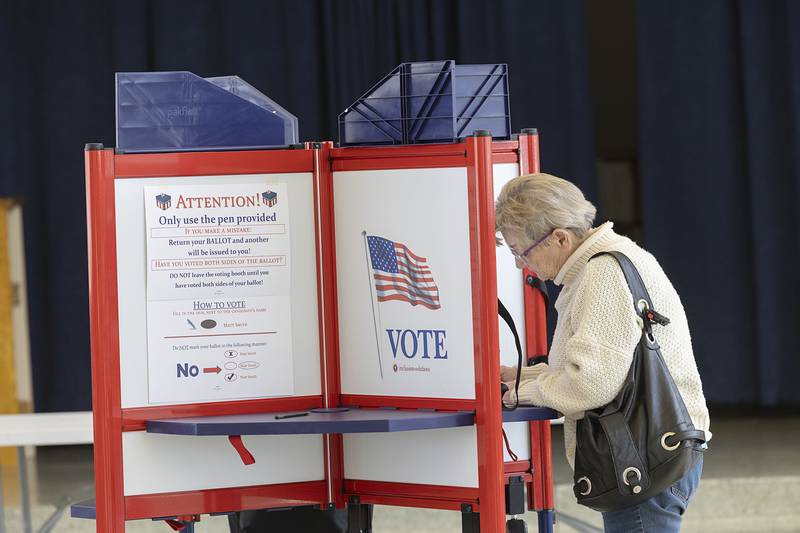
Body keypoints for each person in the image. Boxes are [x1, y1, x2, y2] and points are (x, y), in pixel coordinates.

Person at [495, 173, 711, 532]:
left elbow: (592, 383)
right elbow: (604, 364)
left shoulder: (602, 273)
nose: (520, 264)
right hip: (653, 449)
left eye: (521, 251)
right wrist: (519, 375)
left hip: (646, 455)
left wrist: (523, 394)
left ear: (560, 238)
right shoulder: (609, 259)